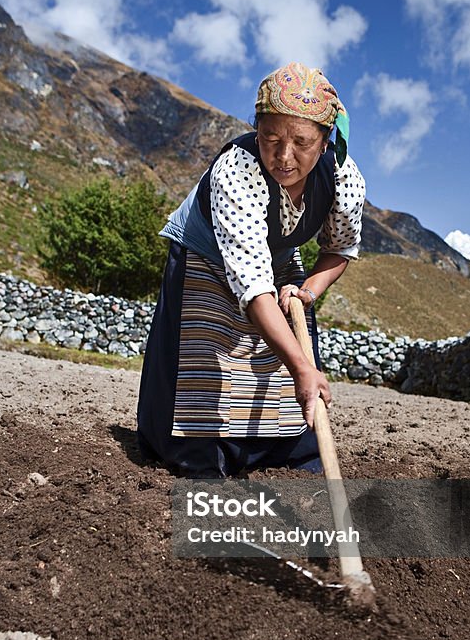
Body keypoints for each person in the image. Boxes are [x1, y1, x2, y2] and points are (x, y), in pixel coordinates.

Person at [137, 61, 366, 477]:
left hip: (278, 262)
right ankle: (201, 453)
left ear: (326, 140)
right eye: (270, 138)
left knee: (286, 362)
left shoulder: (343, 179)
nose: (284, 156)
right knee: (207, 361)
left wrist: (307, 292)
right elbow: (254, 287)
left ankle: (286, 452)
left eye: (302, 142)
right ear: (256, 129)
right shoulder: (237, 170)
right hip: (204, 254)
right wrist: (302, 367)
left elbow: (339, 249)